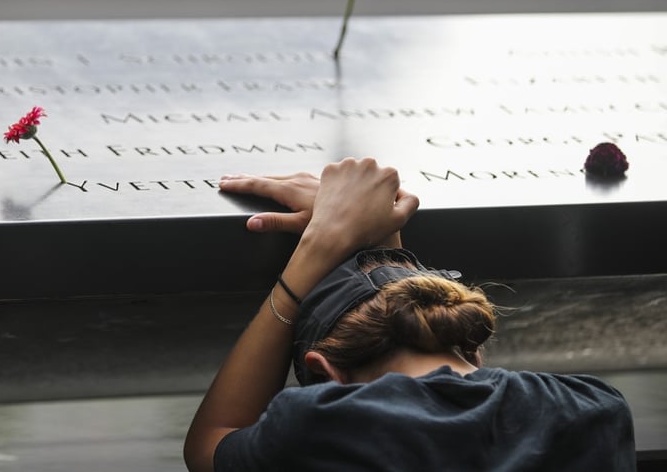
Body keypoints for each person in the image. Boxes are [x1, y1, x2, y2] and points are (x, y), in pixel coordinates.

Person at [184, 157, 636, 471]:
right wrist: (378, 243)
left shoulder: (321, 427)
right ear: (468, 344)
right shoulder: (592, 409)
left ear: (323, 371)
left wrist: (315, 251)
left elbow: (209, 443)